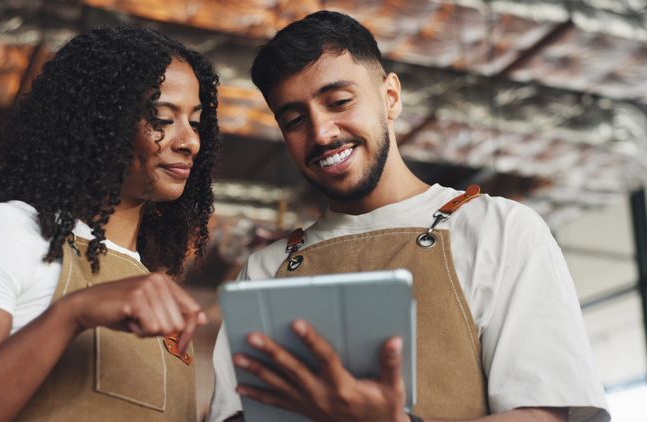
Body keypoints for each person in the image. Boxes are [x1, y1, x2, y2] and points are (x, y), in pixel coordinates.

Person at [208, 10, 609, 422]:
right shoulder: (264, 271)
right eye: (294, 120)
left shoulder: (499, 229)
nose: (322, 133)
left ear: (390, 98)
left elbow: (544, 416)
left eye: (340, 102)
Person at [0, 26, 220, 422]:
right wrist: (70, 315)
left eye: (196, 122)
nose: (190, 142)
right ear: (99, 122)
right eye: (162, 118)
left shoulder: (150, 281)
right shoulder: (12, 232)